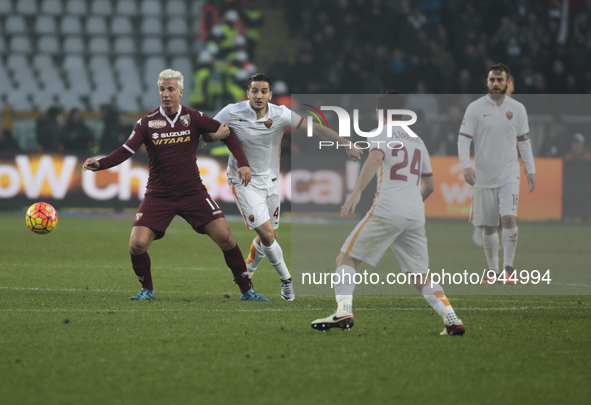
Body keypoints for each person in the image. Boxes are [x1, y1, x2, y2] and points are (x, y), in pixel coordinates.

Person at [83, 69, 268, 302]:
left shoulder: (193, 117)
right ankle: (147, 290)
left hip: (193, 192)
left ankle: (247, 291)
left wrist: (243, 164)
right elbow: (125, 151)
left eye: (171, 89)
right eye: (162, 89)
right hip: (159, 195)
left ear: (180, 92)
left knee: (227, 239)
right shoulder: (147, 122)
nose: (166, 94)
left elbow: (226, 134)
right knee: (137, 245)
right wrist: (100, 164)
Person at [311, 91, 465, 336]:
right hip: (415, 214)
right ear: (404, 113)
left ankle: (343, 310)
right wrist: (412, 203)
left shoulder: (381, 133)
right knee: (420, 276)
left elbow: (374, 157)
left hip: (387, 209)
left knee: (346, 259)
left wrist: (357, 192)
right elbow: (431, 185)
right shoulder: (417, 140)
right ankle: (452, 318)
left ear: (379, 111)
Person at [204, 73, 362, 301]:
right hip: (244, 181)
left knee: (270, 235)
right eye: (254, 90)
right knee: (268, 235)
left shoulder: (281, 114)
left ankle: (247, 269)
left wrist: (346, 143)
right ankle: (287, 280)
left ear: (270, 95)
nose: (258, 95)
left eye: (263, 91)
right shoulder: (231, 111)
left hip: (272, 182)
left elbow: (314, 128)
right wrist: (215, 135)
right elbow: (206, 132)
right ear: (247, 93)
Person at [458, 64, 536, 284]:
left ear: (507, 82)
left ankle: (508, 268)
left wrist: (530, 169)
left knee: (509, 218)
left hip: (509, 173)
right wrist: (466, 166)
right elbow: (463, 138)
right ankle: (492, 271)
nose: (495, 84)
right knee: (490, 225)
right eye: (492, 80)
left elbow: (524, 141)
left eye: (500, 80)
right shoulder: (474, 108)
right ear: (487, 82)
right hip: (482, 176)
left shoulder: (518, 109)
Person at [471, 72, 514, 247]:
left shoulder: (514, 109)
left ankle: (499, 234)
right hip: (487, 160)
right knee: (485, 198)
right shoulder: (484, 107)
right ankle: (478, 228)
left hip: (506, 162)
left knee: (503, 201)